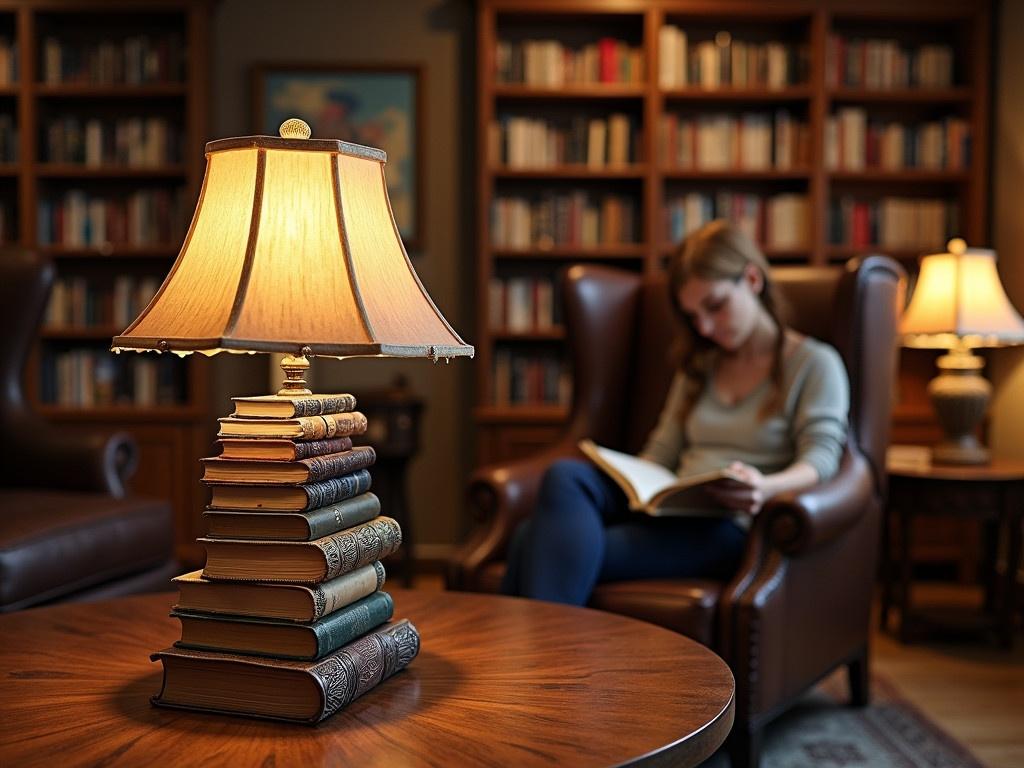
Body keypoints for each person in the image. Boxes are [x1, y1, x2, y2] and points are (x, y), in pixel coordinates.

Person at [500, 219, 850, 605]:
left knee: (531, 539)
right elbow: (662, 451)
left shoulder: (815, 363)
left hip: (727, 524)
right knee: (566, 476)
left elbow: (822, 459)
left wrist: (763, 488)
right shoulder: (700, 367)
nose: (705, 327)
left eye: (715, 306)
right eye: (693, 316)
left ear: (752, 279)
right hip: (673, 506)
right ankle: (543, 657)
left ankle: (534, 659)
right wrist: (640, 483)